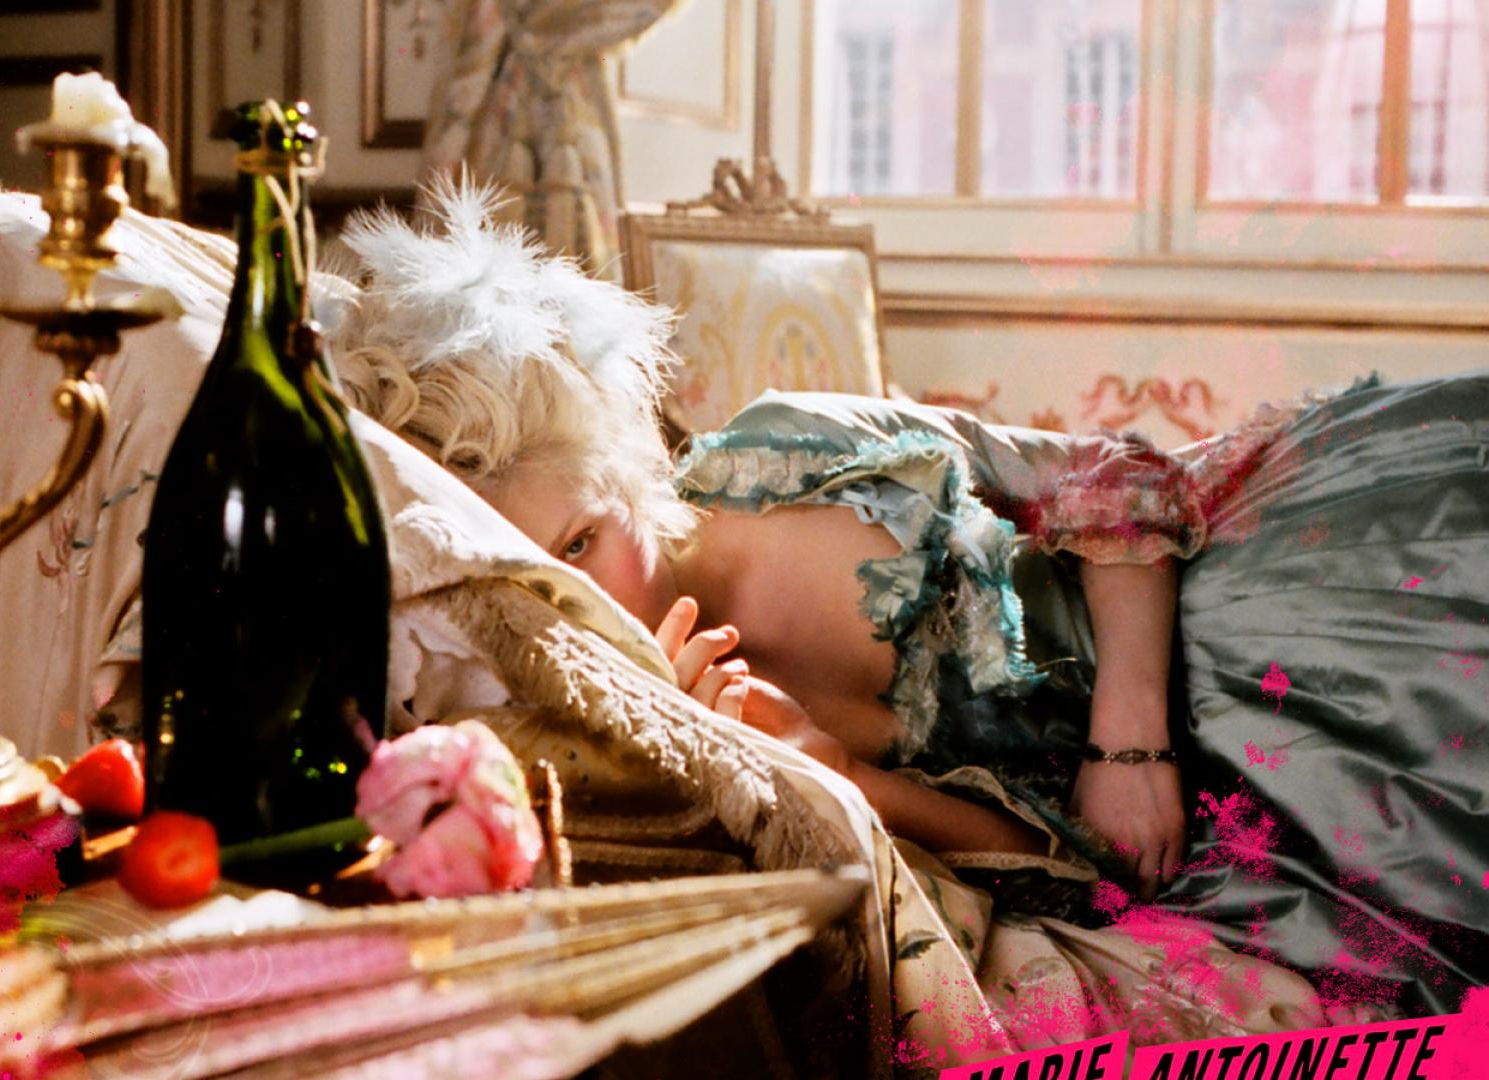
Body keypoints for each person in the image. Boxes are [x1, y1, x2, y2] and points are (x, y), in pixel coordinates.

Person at [330, 184, 1489, 1018]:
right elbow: (1068, 874)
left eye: (585, 539)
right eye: (547, 571)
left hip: (1230, 585)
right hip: (1244, 809)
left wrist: (1132, 732)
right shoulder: (667, 738)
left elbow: (1117, 472)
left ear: (626, 468)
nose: (588, 594)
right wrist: (838, 773)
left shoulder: (787, 445)